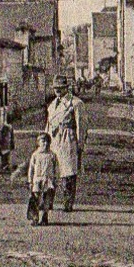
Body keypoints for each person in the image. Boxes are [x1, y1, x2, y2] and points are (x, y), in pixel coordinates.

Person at [46, 76, 85, 212]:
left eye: (60, 88)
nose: (57, 90)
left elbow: (81, 126)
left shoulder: (75, 103)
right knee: (50, 172)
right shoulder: (52, 105)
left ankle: (68, 203)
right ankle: (48, 203)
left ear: (66, 88)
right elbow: (48, 125)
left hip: (68, 140)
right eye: (55, 88)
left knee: (68, 172)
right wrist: (45, 142)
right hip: (53, 140)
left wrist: (80, 145)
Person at [26, 132, 59, 225]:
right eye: (43, 141)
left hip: (48, 180)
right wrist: (30, 181)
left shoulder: (52, 155)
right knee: (35, 198)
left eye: (47, 141)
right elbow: (31, 169)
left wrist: (55, 179)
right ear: (38, 143)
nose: (45, 143)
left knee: (47, 199)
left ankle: (45, 217)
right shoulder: (35, 155)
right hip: (37, 180)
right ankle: (35, 217)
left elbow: (56, 168)